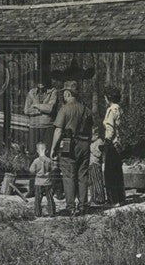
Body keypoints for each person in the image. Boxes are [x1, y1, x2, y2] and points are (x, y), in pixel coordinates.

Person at [49, 81, 93, 215]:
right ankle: (83, 206)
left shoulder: (64, 109)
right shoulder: (86, 109)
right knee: (82, 175)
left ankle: (71, 207)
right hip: (85, 144)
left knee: (68, 176)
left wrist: (53, 148)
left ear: (67, 93)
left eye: (64, 93)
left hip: (69, 145)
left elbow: (58, 131)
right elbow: (91, 129)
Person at [102, 86, 125, 206]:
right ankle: (120, 198)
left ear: (108, 98)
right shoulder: (120, 109)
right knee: (117, 171)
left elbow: (110, 128)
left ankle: (113, 199)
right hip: (119, 142)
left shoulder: (111, 110)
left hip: (111, 143)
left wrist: (106, 141)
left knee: (110, 173)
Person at [29, 141, 56, 218]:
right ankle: (52, 212)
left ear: (37, 151)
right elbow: (54, 169)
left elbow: (31, 170)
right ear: (47, 151)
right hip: (48, 182)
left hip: (38, 183)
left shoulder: (36, 161)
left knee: (37, 199)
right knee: (50, 198)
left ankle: (38, 213)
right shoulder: (49, 160)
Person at [87, 122, 107, 206]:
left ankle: (100, 198)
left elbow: (99, 154)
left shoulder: (99, 142)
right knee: (91, 182)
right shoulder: (92, 142)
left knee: (97, 182)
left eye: (91, 135)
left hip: (95, 164)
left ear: (96, 135)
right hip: (90, 164)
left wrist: (91, 149)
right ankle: (93, 198)